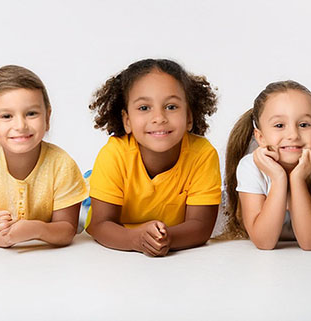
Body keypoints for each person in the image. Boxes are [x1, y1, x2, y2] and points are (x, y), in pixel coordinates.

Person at [86, 58, 221, 257]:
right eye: (144, 108)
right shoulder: (114, 154)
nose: (159, 118)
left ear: (189, 117)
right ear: (127, 120)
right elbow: (99, 224)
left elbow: (201, 227)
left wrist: (167, 238)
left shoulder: (203, 154)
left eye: (171, 107)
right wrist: (135, 239)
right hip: (96, 198)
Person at [0, 65, 88, 247]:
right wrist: (0, 232)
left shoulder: (62, 164)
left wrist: (36, 229)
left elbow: (67, 230)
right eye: (7, 116)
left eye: (31, 113)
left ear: (47, 118)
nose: (21, 125)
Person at [221, 80, 311, 250]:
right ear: (260, 136)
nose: (293, 134)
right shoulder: (251, 167)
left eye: (304, 125)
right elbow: (264, 242)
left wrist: (297, 180)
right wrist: (278, 179)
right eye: (279, 125)